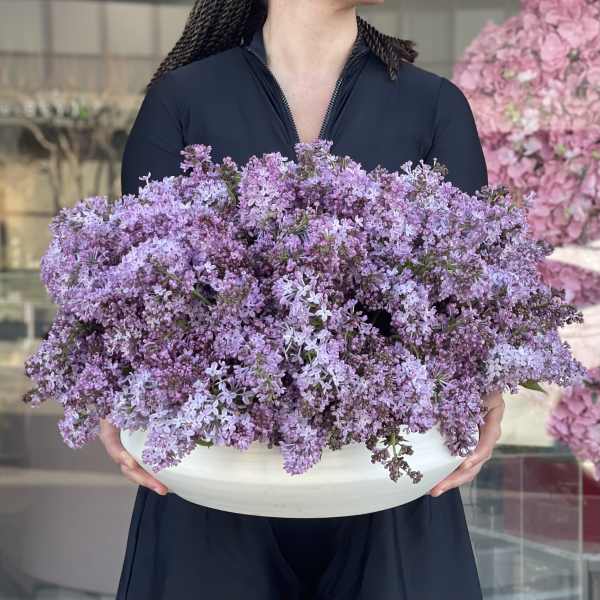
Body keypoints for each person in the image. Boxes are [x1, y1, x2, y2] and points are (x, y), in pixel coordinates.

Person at [101, 1, 506, 598]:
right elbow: (133, 288)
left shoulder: (432, 104)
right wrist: (114, 383)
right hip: (214, 472)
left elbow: (472, 286)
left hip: (389, 475)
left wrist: (486, 378)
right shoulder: (183, 100)